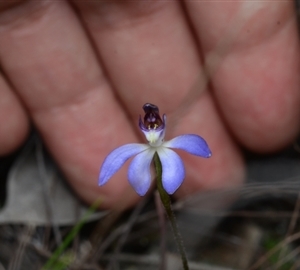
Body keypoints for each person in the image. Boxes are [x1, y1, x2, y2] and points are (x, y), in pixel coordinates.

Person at [0, 1, 299, 209]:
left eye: (155, 122)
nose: (152, 124)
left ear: (161, 123)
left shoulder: (182, 143)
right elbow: (112, 171)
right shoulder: (128, 153)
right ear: (145, 127)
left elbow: (200, 149)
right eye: (149, 123)